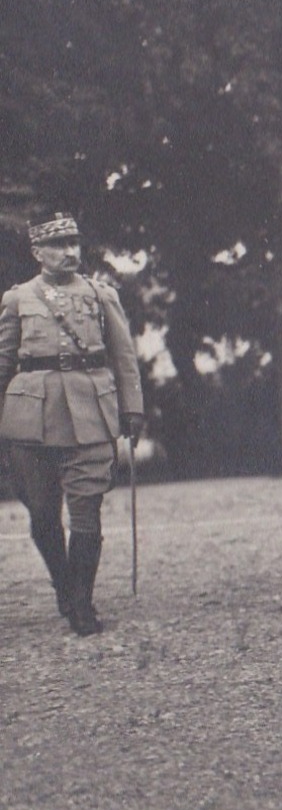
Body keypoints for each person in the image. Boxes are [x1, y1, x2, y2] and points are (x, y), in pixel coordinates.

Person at [0, 213, 144, 635]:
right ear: (37, 252)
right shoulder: (17, 299)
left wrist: (131, 408)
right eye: (59, 245)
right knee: (43, 514)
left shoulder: (102, 296)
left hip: (91, 412)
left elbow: (125, 358)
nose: (70, 252)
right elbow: (3, 362)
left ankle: (82, 603)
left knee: (87, 512)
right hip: (32, 418)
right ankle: (63, 584)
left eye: (75, 243)